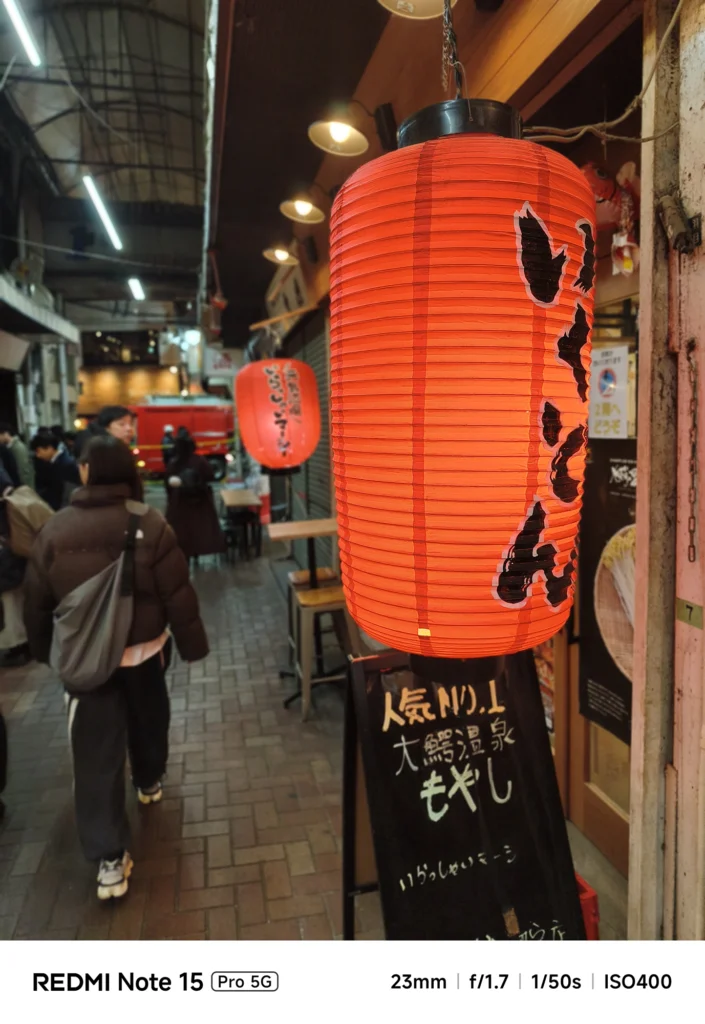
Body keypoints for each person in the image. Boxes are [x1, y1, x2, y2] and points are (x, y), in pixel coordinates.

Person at [23, 434, 208, 900]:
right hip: (144, 655)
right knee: (149, 721)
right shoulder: (150, 523)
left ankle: (109, 862)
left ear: (85, 471)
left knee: (95, 757)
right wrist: (192, 646)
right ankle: (148, 780)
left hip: (87, 668)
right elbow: (177, 593)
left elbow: (36, 604)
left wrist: (46, 652)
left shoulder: (55, 530)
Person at [166, 436, 225, 562]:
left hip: (180, 504)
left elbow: (168, 484)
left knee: (182, 533)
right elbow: (209, 476)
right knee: (199, 532)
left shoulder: (174, 463)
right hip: (200, 502)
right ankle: (198, 552)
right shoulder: (200, 461)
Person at [0, 463, 30, 668]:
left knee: (10, 600)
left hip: (6, 545)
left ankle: (19, 645)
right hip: (8, 543)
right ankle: (20, 643)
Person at [31, 431, 80, 511]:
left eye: (38, 451)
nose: (38, 455)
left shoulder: (66, 464)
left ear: (50, 448)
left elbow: (69, 492)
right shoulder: (53, 462)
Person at [0, 422, 34, 489]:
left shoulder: (18, 448)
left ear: (5, 434)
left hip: (23, 488)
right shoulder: (9, 447)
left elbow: (23, 471)